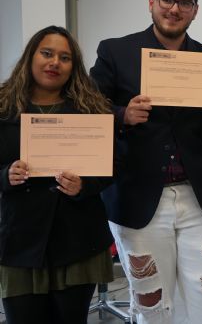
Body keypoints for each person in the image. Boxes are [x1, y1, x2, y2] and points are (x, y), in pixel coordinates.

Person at [90, 0, 202, 324]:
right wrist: (122, 114)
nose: (174, 9)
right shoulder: (116, 52)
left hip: (198, 197)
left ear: (195, 10)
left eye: (185, 2)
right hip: (138, 197)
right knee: (153, 307)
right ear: (151, 2)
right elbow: (87, 109)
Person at [0, 26, 114, 324]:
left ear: (73, 67)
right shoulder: (2, 107)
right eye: (47, 54)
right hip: (20, 242)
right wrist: (5, 176)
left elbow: (111, 167)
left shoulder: (92, 109)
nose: (55, 63)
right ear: (31, 57)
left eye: (65, 58)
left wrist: (84, 185)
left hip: (77, 241)